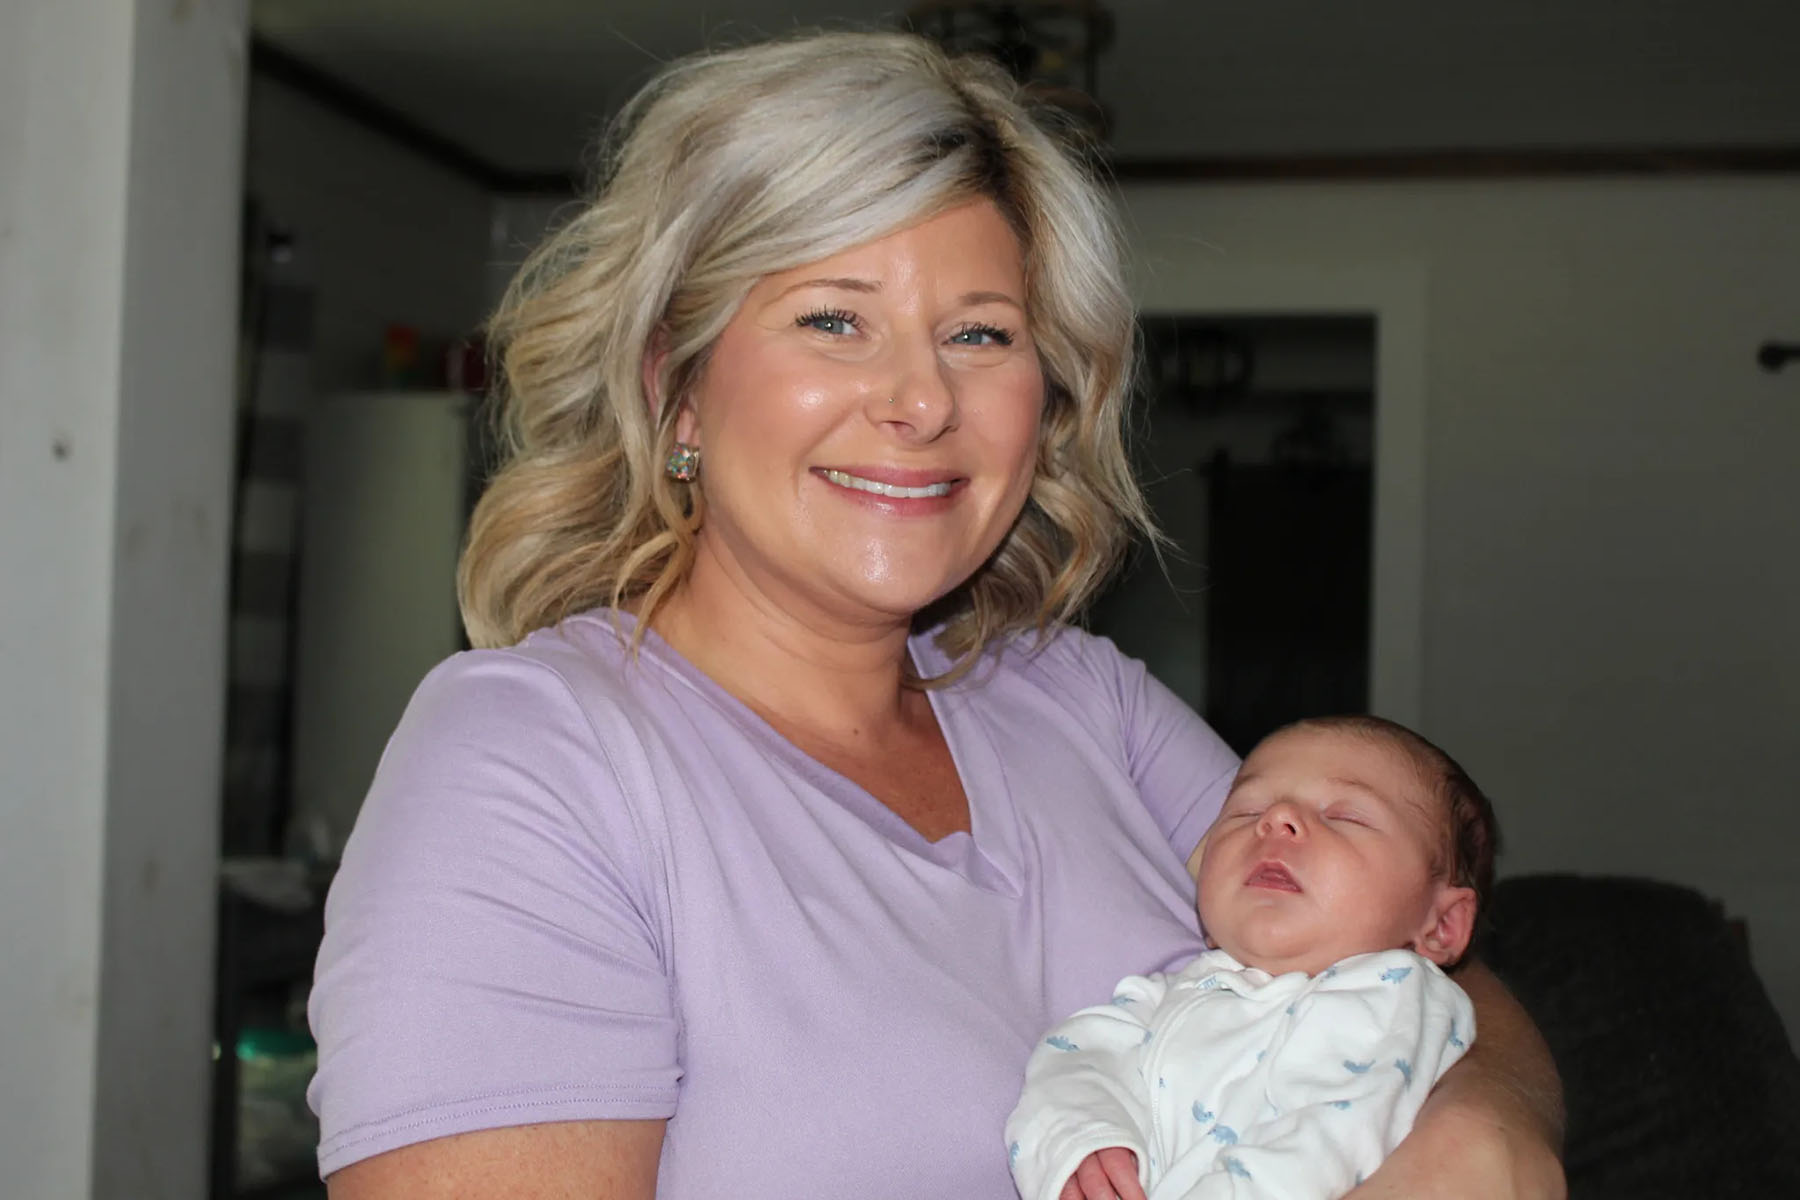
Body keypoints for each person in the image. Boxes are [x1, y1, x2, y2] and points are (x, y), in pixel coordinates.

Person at [305, 30, 1565, 1200]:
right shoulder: (537, 758)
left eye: (979, 332)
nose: (920, 400)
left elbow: (1414, 956)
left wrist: (1488, 1126)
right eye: (833, 319)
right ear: (674, 390)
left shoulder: (1085, 699)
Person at [1006, 716, 1497, 1200]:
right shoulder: (1168, 996)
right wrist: (1085, 1140)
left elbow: (1322, 1144)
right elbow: (1076, 1059)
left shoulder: (1395, 996)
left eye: (1345, 816)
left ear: (1442, 925)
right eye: (1245, 811)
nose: (1275, 818)